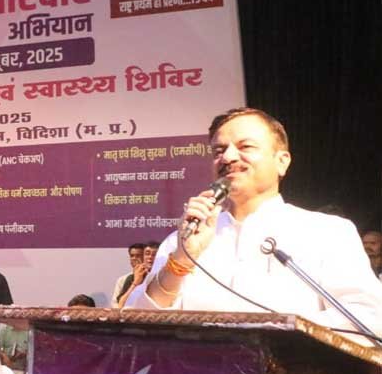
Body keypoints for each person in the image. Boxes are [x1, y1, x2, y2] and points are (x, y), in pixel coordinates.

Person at [125, 108, 382, 336]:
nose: (228, 157)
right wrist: (181, 260)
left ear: (282, 162)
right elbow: (135, 322)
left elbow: (368, 319)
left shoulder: (326, 232)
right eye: (219, 151)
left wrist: (270, 330)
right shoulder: (183, 239)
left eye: (245, 147)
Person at [112, 243, 145, 307]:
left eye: (138, 256)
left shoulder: (150, 277)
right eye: (132, 256)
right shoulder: (122, 279)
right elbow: (115, 303)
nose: (134, 258)